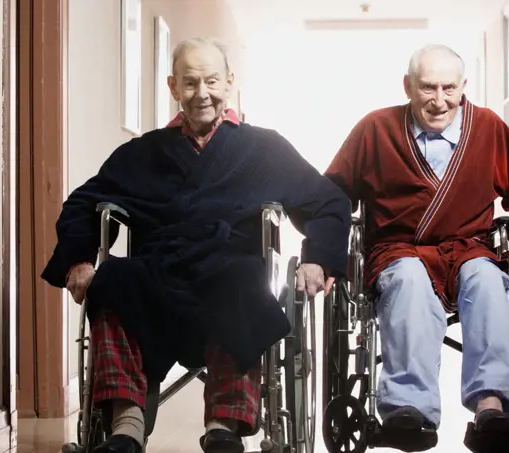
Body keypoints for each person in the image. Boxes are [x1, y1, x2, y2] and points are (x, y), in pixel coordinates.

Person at [42, 37, 351, 453]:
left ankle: (223, 425)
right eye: (189, 83)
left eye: (211, 81)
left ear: (229, 82)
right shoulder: (143, 153)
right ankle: (125, 426)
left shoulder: (265, 149)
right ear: (173, 87)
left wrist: (318, 261)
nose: (201, 93)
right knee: (111, 279)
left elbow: (327, 200)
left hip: (228, 275)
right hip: (155, 278)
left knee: (244, 279)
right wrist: (78, 260)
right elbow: (84, 202)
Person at [324, 44, 509, 451]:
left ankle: (491, 406)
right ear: (407, 86)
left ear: (463, 87)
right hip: (398, 249)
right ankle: (408, 408)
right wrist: (328, 253)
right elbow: (333, 193)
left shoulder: (489, 128)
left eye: (448, 88)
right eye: (427, 87)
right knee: (407, 280)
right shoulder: (375, 129)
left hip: (469, 249)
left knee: (487, 280)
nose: (439, 100)